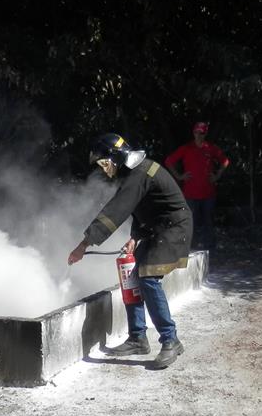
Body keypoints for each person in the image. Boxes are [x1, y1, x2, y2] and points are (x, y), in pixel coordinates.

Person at [68, 133, 193, 369]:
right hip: (157, 228)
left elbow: (116, 210)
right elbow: (142, 209)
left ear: (114, 158)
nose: (103, 169)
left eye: (103, 163)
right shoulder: (135, 173)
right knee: (131, 276)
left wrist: (84, 245)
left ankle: (170, 340)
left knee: (148, 278)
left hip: (174, 228)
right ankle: (138, 338)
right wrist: (135, 238)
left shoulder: (140, 173)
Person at [164, 121, 230, 250]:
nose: (199, 135)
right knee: (191, 222)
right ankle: (190, 248)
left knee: (208, 222)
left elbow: (225, 161)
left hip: (208, 194)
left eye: (202, 133)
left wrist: (217, 175)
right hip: (190, 194)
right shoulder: (186, 148)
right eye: (197, 132)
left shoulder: (210, 148)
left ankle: (210, 249)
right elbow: (168, 161)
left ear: (205, 134)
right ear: (193, 133)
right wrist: (179, 176)